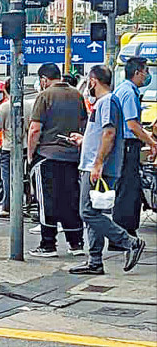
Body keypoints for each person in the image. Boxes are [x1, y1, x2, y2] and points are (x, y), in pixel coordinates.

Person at [68, 65, 146, 274]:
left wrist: (98, 163)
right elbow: (101, 134)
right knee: (93, 213)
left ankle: (130, 242)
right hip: (94, 164)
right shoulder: (104, 103)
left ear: (93, 81)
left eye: (88, 81)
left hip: (98, 168)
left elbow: (109, 134)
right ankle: (94, 261)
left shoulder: (108, 101)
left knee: (87, 212)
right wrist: (84, 140)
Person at [27, 63, 88, 257]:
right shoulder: (77, 95)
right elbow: (84, 124)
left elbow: (35, 129)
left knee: (47, 201)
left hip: (47, 156)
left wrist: (30, 155)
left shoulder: (44, 96)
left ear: (44, 79)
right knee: (70, 199)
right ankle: (76, 243)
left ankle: (48, 244)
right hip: (72, 157)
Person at [112, 57, 157, 242]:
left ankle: (123, 233)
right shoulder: (129, 93)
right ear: (138, 72)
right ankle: (124, 235)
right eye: (146, 71)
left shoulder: (124, 89)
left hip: (126, 146)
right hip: (128, 146)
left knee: (127, 188)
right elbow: (132, 125)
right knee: (128, 190)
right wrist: (152, 142)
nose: (148, 75)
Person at [0, 78, 34, 218]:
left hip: (7, 147)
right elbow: (30, 127)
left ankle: (7, 207)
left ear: (6, 89)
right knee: (24, 177)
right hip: (24, 146)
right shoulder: (28, 105)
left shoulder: (4, 106)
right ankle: (26, 204)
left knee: (7, 178)